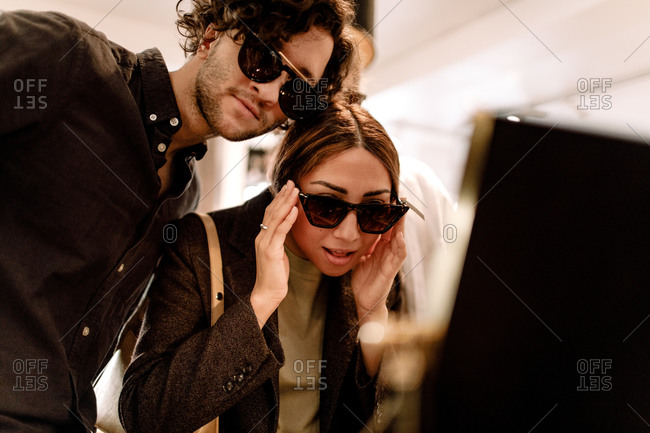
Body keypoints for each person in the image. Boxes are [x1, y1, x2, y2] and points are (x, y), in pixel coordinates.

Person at [0, 1, 356, 431]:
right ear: (211, 34)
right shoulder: (67, 58)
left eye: (296, 90)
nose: (267, 93)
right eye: (263, 58)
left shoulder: (182, 200)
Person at [119, 101, 409, 433]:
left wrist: (373, 316)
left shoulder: (378, 266)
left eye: (374, 210)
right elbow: (144, 414)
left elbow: (395, 420)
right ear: (283, 188)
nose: (349, 234)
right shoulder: (199, 244)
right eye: (327, 206)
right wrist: (260, 303)